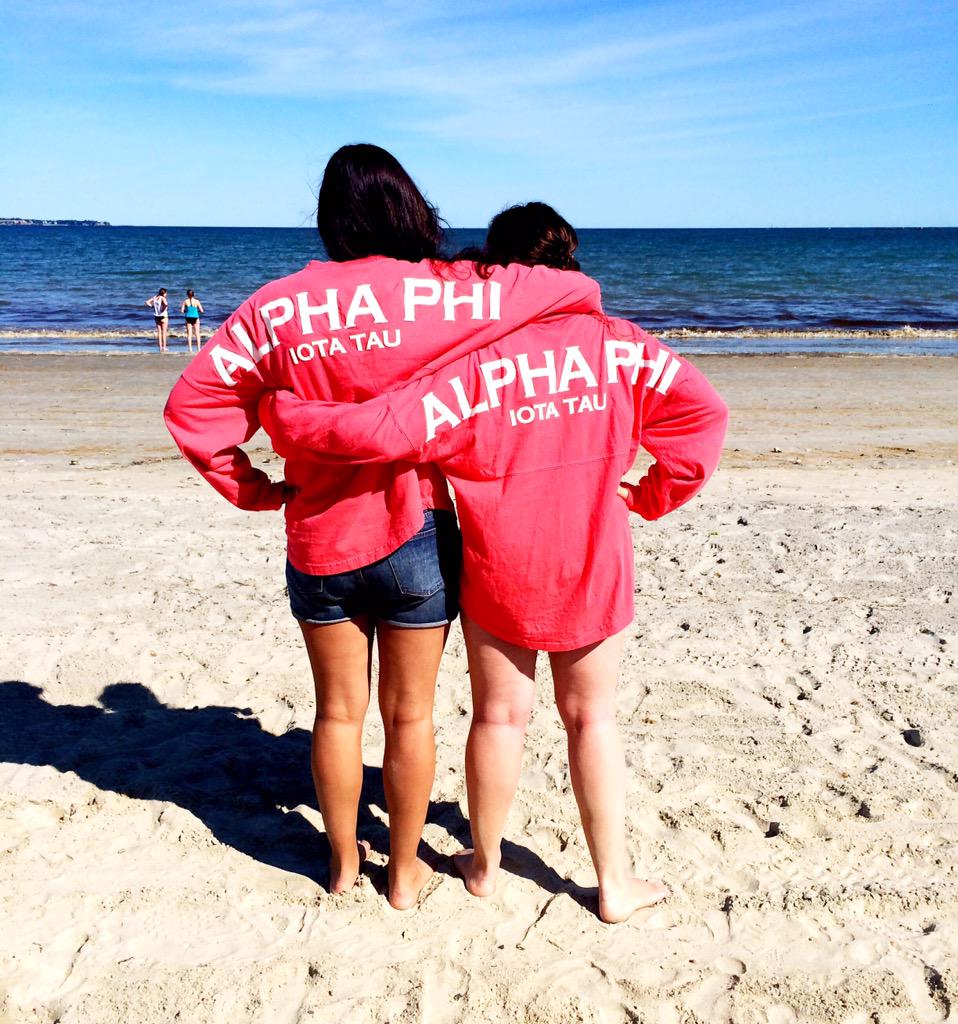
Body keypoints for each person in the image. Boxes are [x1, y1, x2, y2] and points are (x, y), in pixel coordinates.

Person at [257, 202, 729, 922]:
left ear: (493, 278)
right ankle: (613, 883)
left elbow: (387, 429)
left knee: (500, 719)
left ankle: (485, 863)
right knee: (593, 720)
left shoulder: (474, 365)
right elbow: (703, 416)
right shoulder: (624, 347)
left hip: (501, 561)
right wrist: (654, 493)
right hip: (593, 556)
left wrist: (289, 418)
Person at [163, 147, 604, 909]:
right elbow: (549, 291)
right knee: (412, 715)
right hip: (415, 534)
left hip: (319, 536)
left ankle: (339, 865)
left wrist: (256, 488)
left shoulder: (277, 306)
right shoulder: (445, 292)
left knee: (335, 711)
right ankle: (403, 874)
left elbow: (192, 409)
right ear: (410, 210)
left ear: (330, 218)